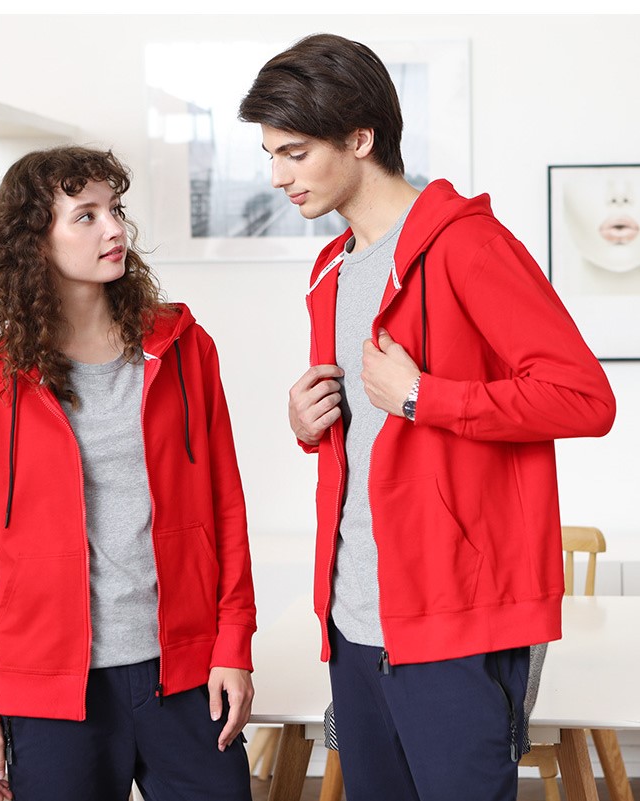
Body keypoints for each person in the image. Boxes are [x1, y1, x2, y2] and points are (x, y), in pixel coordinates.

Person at [239, 33, 615, 801]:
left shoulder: (469, 246)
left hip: (455, 625)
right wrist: (310, 425)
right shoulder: (331, 270)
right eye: (272, 156)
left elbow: (584, 397)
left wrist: (426, 396)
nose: (278, 177)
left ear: (360, 137)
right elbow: (373, 441)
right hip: (352, 624)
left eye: (295, 153)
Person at [0, 146, 256, 801]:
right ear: (34, 241)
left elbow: (225, 506)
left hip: (184, 672)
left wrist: (232, 643)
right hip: (53, 691)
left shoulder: (184, 351)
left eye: (114, 209)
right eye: (85, 216)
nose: (114, 228)